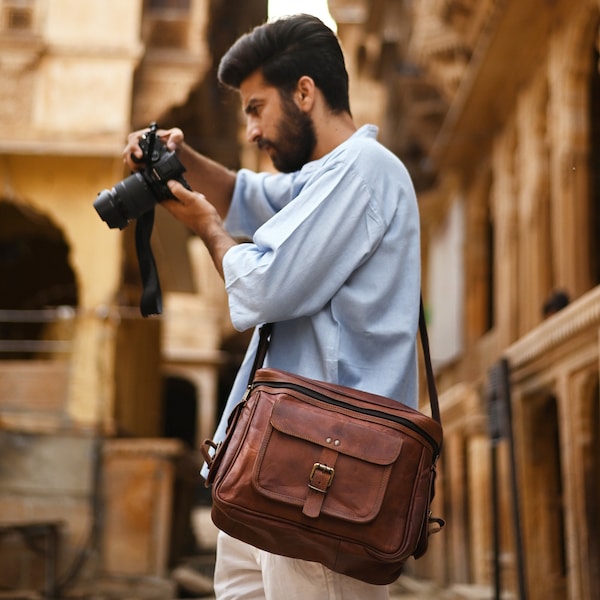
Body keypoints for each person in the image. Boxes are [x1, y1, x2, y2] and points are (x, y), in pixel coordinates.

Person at [123, 14, 421, 600]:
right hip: (275, 469)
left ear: (304, 92)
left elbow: (260, 290)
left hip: (325, 477)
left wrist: (208, 230)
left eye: (257, 108)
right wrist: (180, 164)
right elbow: (247, 196)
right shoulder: (326, 178)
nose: (253, 129)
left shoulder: (363, 173)